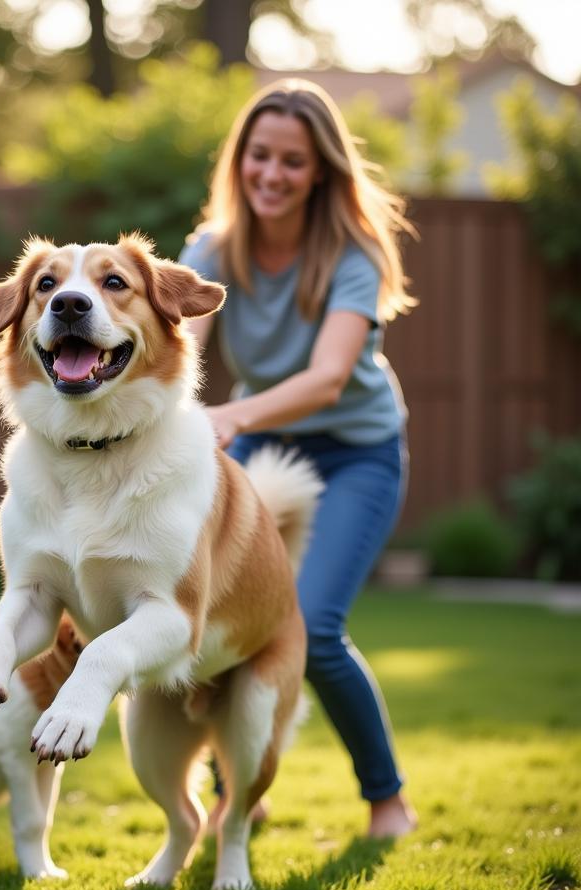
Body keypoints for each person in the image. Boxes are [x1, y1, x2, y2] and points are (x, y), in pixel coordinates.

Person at [180, 79, 417, 838]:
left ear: (321, 171)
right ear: (239, 160)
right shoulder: (213, 248)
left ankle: (387, 800)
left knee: (308, 625)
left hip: (356, 453)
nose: (272, 175)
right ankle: (238, 792)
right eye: (259, 156)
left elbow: (328, 378)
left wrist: (228, 416)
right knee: (219, 622)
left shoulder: (353, 253)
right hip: (259, 442)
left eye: (292, 161)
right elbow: (178, 352)